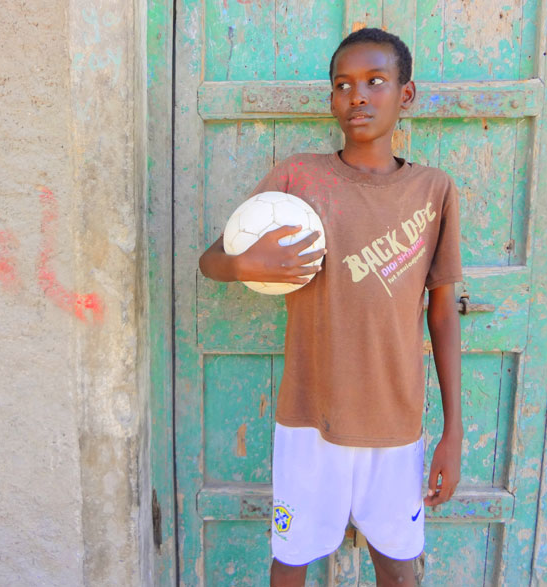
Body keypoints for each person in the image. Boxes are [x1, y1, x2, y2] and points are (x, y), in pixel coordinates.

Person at [198, 28, 463, 586]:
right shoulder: (299, 178)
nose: (358, 96)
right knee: (291, 562)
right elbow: (213, 259)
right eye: (343, 85)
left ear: (405, 95)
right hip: (308, 418)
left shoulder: (433, 192)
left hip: (395, 423)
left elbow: (441, 313)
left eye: (375, 81)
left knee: (398, 566)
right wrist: (242, 265)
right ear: (332, 99)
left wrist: (453, 431)